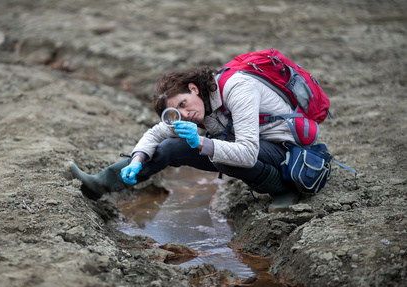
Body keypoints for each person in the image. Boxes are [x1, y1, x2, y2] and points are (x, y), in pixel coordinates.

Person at [64, 65, 300, 212]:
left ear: (194, 89)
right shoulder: (199, 107)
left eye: (183, 104)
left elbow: (247, 153)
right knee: (168, 148)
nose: (185, 114)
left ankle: (283, 189)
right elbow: (156, 133)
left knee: (219, 155)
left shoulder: (238, 90)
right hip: (254, 149)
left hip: (286, 151)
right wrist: (137, 159)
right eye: (177, 112)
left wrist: (201, 143)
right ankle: (100, 184)